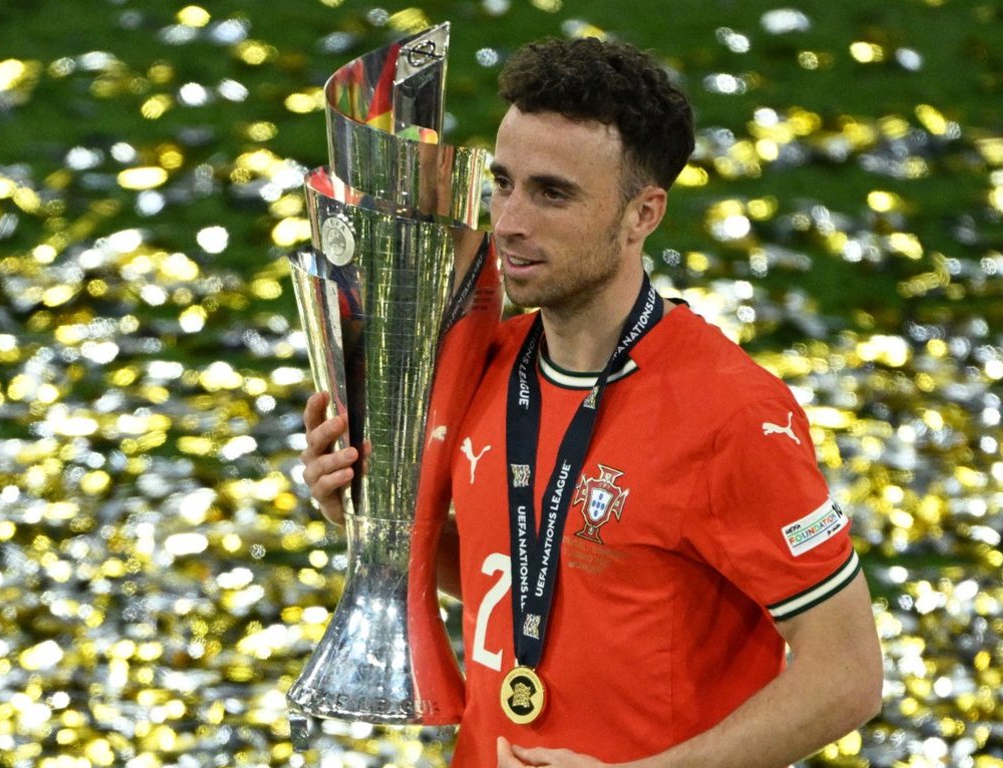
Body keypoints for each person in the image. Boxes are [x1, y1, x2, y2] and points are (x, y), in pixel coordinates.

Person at [301, 36, 883, 768]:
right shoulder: (480, 362)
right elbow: (508, 569)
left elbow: (847, 674)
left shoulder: (732, 415)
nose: (509, 221)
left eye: (552, 193)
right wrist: (366, 519)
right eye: (503, 183)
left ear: (643, 214)